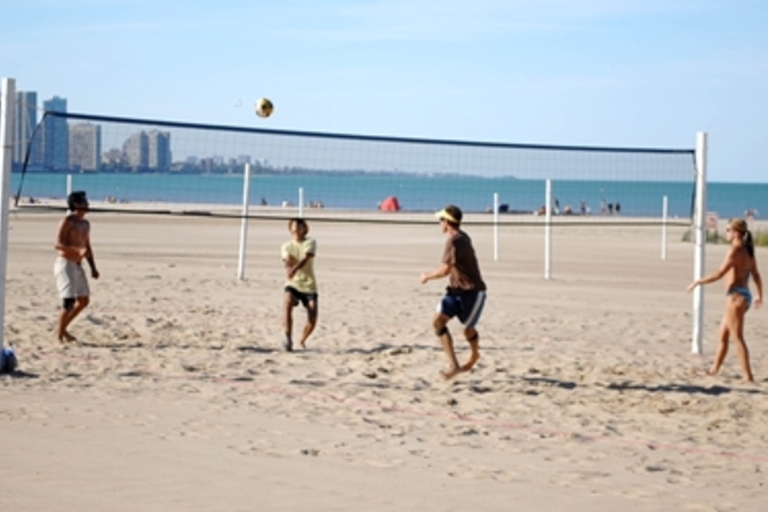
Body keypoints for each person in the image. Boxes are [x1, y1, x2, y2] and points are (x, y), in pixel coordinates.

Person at [687, 218, 763, 382]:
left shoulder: (735, 250)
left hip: (735, 296)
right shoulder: (748, 250)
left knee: (737, 337)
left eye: (728, 230)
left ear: (736, 233)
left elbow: (719, 273)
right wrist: (759, 295)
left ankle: (748, 376)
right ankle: (713, 370)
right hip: (745, 295)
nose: (726, 232)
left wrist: (698, 281)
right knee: (722, 334)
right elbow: (756, 275)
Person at [420, 205, 487, 379]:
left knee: (468, 330)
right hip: (455, 291)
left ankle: (474, 354)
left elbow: (445, 270)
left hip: (473, 292)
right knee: (438, 322)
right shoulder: (458, 237)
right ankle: (454, 365)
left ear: (447, 222)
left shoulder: (456, 240)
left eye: (441, 219)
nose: (439, 223)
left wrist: (427, 276)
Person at [54, 191, 99, 343]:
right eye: (84, 201)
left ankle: (62, 328)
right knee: (68, 302)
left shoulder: (85, 224)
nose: (88, 204)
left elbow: (87, 247)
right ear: (76, 204)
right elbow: (58, 244)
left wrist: (93, 267)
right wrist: (77, 250)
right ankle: (59, 336)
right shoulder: (67, 221)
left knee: (84, 300)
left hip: (78, 265)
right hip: (65, 263)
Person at [281, 218, 318, 352]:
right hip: (293, 283)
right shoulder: (286, 246)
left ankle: (302, 340)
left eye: (300, 226)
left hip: (309, 284)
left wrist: (295, 269)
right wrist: (288, 269)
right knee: (287, 302)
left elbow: (306, 257)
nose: (297, 228)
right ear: (290, 229)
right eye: (294, 226)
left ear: (304, 229)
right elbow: (287, 259)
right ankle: (288, 338)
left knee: (312, 317)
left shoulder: (310, 242)